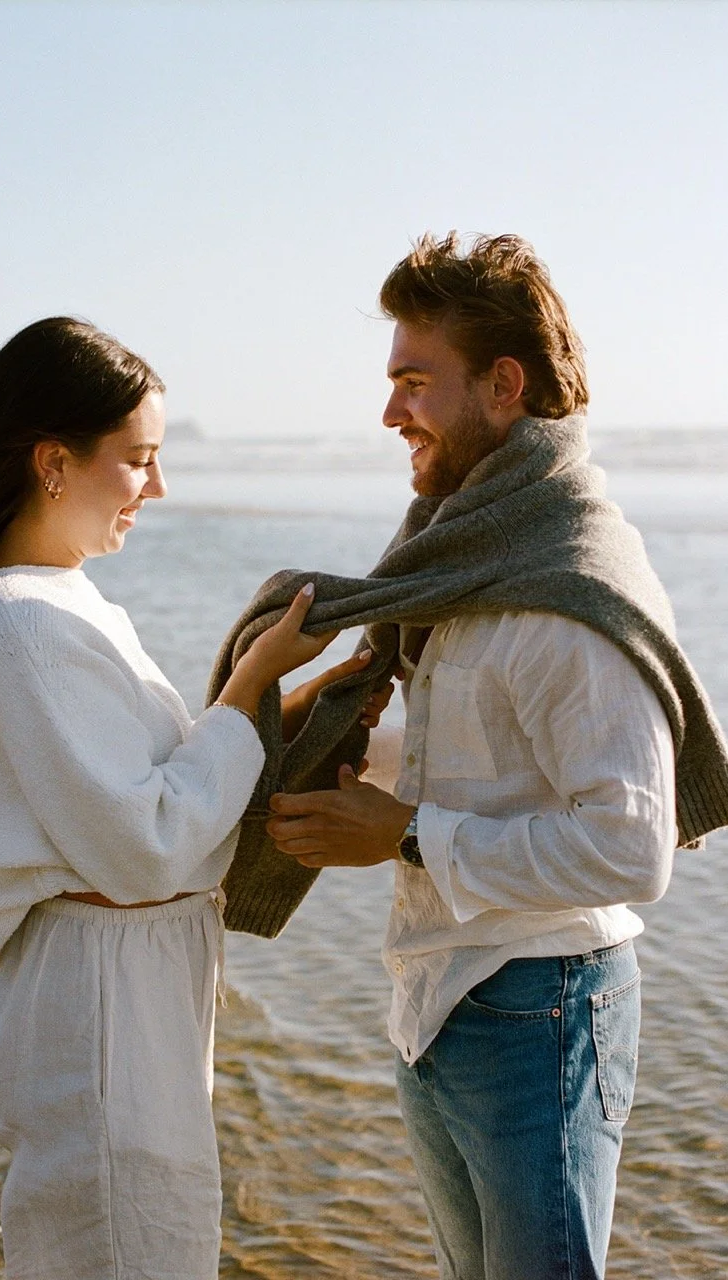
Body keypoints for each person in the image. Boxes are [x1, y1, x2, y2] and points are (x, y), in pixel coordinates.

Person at [207, 233, 728, 1280]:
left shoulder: (572, 583)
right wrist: (343, 733)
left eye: (413, 382)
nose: (391, 412)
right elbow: (492, 741)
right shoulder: (461, 550)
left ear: (503, 384)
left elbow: (633, 847)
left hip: (543, 1007)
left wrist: (401, 833)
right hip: (443, 998)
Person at [0, 315, 390, 1280]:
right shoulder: (19, 619)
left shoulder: (63, 599)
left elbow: (145, 777)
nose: (159, 488)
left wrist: (290, 699)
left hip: (132, 982)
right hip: (100, 995)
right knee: (120, 1243)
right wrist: (246, 691)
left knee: (147, 1236)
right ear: (52, 463)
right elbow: (145, 840)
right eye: (139, 460)